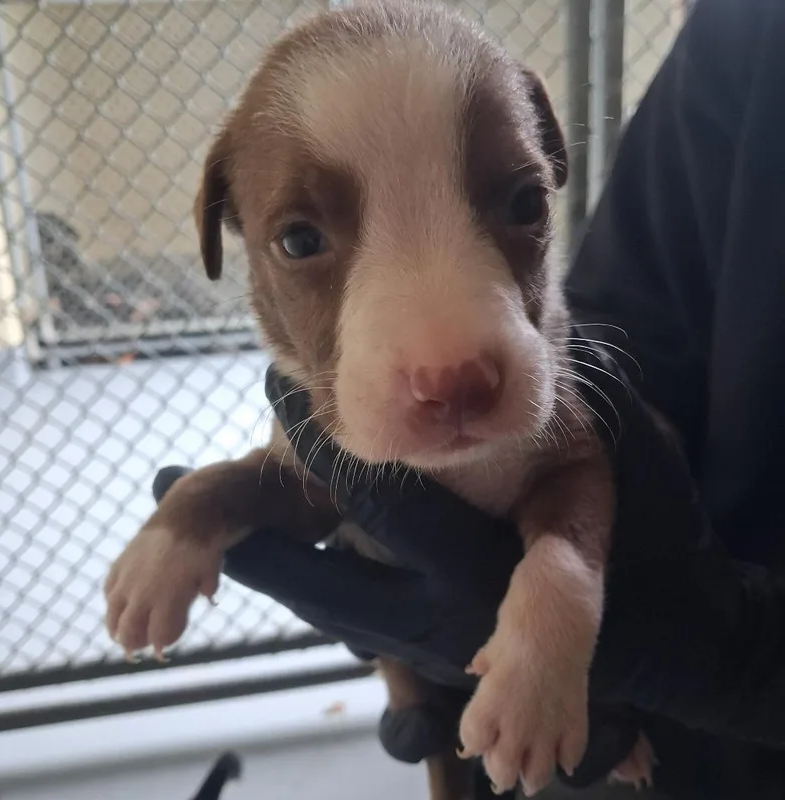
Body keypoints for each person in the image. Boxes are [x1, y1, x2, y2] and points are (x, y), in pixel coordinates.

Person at [156, 0, 785, 796]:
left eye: (522, 204)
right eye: (303, 240)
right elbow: (639, 306)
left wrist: (737, 657)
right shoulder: (746, 33)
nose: (444, 367)